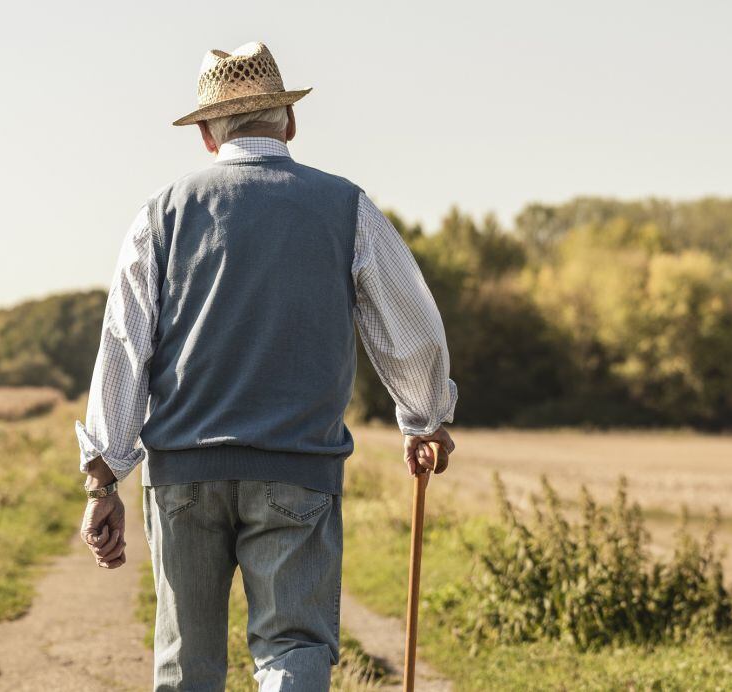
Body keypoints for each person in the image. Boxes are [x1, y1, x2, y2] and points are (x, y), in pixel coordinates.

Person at [75, 41, 458, 692]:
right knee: (293, 649)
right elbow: (407, 326)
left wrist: (103, 476)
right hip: (297, 470)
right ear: (289, 122)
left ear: (204, 134)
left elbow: (123, 345)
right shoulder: (347, 207)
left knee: (186, 660)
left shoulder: (159, 216)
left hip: (184, 476)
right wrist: (425, 419)